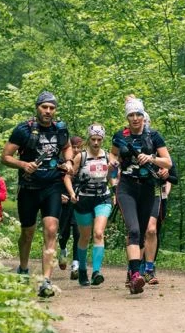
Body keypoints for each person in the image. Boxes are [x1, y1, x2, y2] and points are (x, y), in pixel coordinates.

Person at [0, 91, 73, 298]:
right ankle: (23, 268)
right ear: (37, 107)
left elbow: (67, 147)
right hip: (29, 188)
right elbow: (5, 157)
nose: (48, 111)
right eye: (44, 107)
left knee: (51, 230)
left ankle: (45, 281)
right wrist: (23, 164)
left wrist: (68, 161)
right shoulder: (24, 130)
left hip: (53, 186)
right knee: (28, 233)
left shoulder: (60, 129)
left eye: (51, 108)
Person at [109, 97, 172, 295]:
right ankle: (137, 275)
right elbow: (113, 155)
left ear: (144, 116)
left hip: (148, 188)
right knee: (134, 230)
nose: (135, 118)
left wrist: (152, 158)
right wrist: (113, 164)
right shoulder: (119, 136)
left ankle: (132, 272)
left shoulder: (154, 136)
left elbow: (168, 163)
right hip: (126, 187)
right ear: (127, 117)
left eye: (138, 114)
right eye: (131, 115)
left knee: (144, 231)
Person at [64, 124, 114, 286]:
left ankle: (97, 272)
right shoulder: (81, 157)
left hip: (102, 198)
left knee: (98, 233)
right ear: (88, 139)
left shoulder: (107, 156)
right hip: (83, 199)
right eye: (93, 139)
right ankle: (83, 270)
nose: (96, 143)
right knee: (85, 236)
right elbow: (67, 177)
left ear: (103, 140)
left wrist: (114, 177)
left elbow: (113, 178)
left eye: (99, 139)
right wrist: (72, 193)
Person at [140, 112, 178, 285]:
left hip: (158, 194)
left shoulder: (161, 148)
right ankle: (135, 267)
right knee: (138, 230)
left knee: (152, 230)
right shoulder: (132, 147)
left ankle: (149, 267)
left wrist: (166, 174)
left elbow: (173, 177)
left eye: (147, 123)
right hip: (136, 193)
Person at [58, 136, 83, 279]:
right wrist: (60, 195)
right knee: (64, 233)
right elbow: (55, 182)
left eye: (79, 147)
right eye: (73, 147)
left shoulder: (84, 162)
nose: (76, 150)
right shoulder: (61, 163)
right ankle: (62, 250)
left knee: (78, 232)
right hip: (63, 202)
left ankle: (76, 264)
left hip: (78, 202)